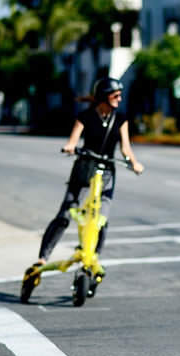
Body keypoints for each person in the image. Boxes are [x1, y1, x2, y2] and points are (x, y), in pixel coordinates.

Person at [31, 77, 144, 280]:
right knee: (66, 214)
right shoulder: (86, 116)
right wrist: (70, 147)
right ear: (104, 96)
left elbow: (125, 148)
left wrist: (133, 162)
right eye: (115, 95)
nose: (120, 98)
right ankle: (43, 257)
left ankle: (93, 256)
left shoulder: (121, 119)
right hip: (85, 168)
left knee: (101, 218)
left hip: (107, 172)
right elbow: (73, 140)